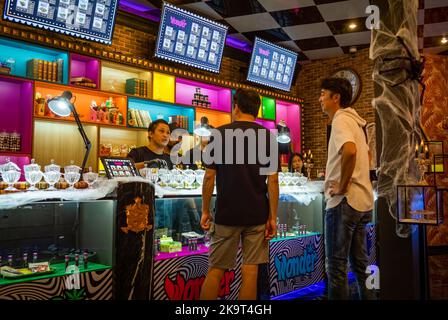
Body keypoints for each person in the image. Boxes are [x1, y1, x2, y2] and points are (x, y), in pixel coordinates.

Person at [199, 88, 279, 300]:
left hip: (227, 213)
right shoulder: (268, 138)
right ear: (257, 110)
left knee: (216, 270)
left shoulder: (219, 134)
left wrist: (205, 210)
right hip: (257, 214)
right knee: (250, 271)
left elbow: (209, 177)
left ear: (236, 106)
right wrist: (273, 217)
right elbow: (273, 181)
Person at [319, 77, 374, 300]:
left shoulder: (341, 119)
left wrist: (341, 186)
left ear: (336, 97)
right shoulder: (356, 122)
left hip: (344, 203)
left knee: (336, 268)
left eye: (323, 93)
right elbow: (367, 156)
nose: (320, 98)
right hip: (362, 202)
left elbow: (350, 151)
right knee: (361, 267)